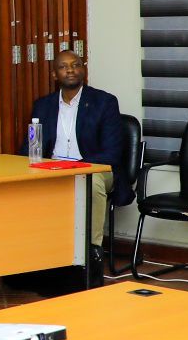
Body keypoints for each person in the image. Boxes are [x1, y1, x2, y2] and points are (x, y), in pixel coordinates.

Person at [20, 51, 129, 247]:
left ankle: (91, 250)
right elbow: (30, 147)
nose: (70, 70)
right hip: (53, 169)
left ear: (82, 70)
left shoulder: (104, 102)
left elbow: (112, 153)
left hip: (94, 169)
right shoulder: (43, 105)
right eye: (63, 67)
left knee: (91, 183)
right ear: (55, 75)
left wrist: (76, 167)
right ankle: (39, 249)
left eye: (75, 65)